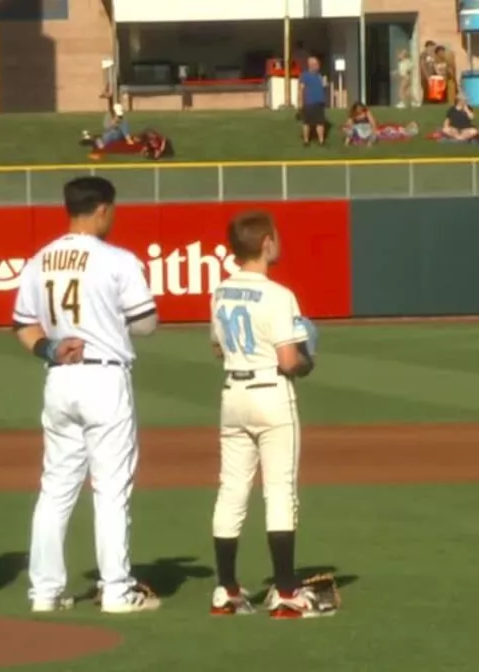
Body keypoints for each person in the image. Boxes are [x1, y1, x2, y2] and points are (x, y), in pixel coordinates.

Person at [10, 176, 161, 614]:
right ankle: (116, 589)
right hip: (103, 378)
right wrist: (111, 323)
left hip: (59, 375)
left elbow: (23, 324)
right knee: (111, 489)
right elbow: (147, 323)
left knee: (55, 488)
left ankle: (45, 592)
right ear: (102, 209)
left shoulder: (40, 259)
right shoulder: (116, 259)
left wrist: (51, 347)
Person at [207, 211, 329, 619]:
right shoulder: (279, 295)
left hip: (233, 392)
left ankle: (226, 589)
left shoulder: (221, 290)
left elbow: (218, 348)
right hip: (270, 393)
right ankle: (287, 592)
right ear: (265, 244)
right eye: (275, 237)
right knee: (279, 492)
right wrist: (309, 359)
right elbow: (289, 359)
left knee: (231, 491)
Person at [299, 57, 328, 147]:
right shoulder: (305, 75)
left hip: (319, 102)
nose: (318, 66)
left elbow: (323, 87)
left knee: (320, 122)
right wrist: (300, 102)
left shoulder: (319, 76)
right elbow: (301, 89)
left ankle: (321, 141)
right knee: (306, 122)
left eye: (318, 64)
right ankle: (306, 141)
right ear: (311, 65)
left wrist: (325, 84)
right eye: (316, 64)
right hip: (309, 102)